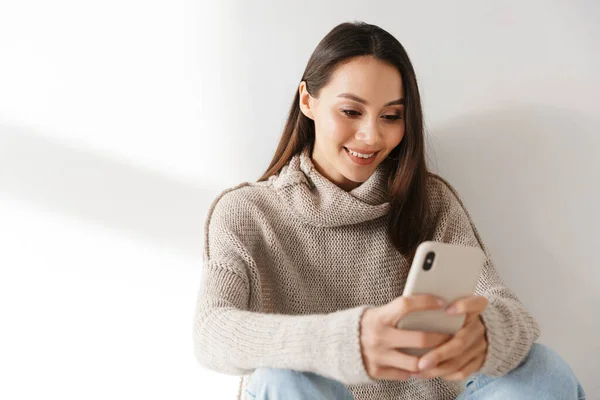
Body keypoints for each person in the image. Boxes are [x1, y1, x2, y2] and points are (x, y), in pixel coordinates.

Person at [192, 21, 586, 400]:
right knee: (284, 375)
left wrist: (485, 335)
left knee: (542, 369)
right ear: (308, 101)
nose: (372, 136)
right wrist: (350, 339)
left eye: (391, 116)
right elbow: (212, 334)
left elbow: (510, 311)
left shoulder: (428, 201)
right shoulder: (246, 212)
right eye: (351, 111)